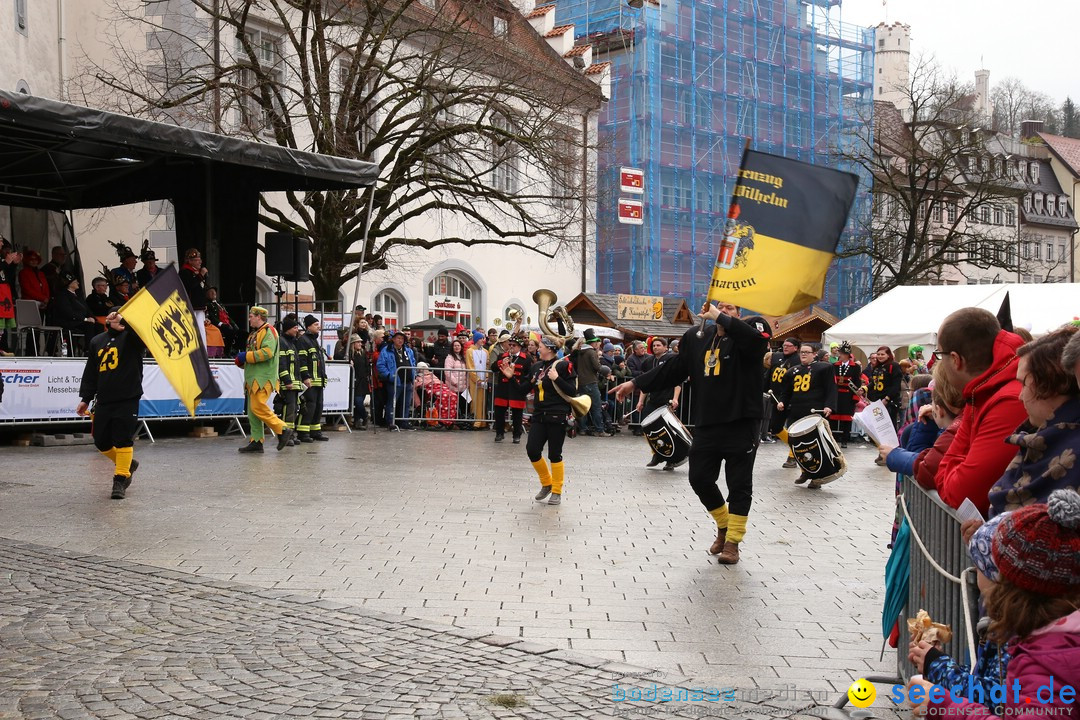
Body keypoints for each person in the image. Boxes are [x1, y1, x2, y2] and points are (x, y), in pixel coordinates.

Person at [613, 302, 770, 565]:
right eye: (720, 306)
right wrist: (635, 383)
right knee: (699, 478)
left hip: (741, 421)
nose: (724, 310)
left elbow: (756, 343)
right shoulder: (697, 337)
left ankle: (733, 542)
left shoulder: (750, 331)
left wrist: (722, 318)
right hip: (708, 421)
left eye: (730, 308)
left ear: (739, 314)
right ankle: (723, 525)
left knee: (739, 485)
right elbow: (673, 369)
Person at [911, 489, 1080, 719]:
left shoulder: (1042, 658)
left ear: (1006, 583)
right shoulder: (1047, 635)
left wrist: (943, 700)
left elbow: (994, 696)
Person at [908, 514, 1012, 716]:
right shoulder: (1006, 623)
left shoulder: (1015, 633)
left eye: (978, 567)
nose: (974, 574)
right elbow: (986, 679)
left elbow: (995, 697)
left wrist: (937, 666)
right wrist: (935, 660)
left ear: (995, 576)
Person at [932, 308, 1027, 516]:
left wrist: (952, 474)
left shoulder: (1008, 401)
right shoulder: (982, 393)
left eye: (940, 354)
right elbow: (942, 472)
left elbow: (964, 494)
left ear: (956, 360)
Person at [987, 325, 1080, 518]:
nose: (1020, 396)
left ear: (1051, 383)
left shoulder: (1070, 449)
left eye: (1023, 383)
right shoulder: (1040, 441)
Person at [76, 311, 145, 499]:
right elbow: (91, 372)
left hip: (128, 398)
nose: (119, 320)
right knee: (101, 440)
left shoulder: (133, 338)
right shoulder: (97, 341)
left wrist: (125, 321)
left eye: (122, 317)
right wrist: (85, 398)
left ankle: (120, 479)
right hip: (104, 399)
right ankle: (128, 463)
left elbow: (142, 338)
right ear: (107, 320)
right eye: (115, 317)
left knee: (123, 439)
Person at [514, 336, 577, 505]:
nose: (537, 349)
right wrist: (511, 377)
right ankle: (546, 483)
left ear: (549, 348)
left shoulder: (564, 365)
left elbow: (572, 391)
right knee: (532, 450)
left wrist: (557, 378)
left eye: (540, 346)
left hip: (558, 415)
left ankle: (557, 490)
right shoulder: (536, 366)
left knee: (554, 454)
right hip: (539, 415)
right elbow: (522, 390)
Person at [775, 344, 837, 487]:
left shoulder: (824, 368)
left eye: (807, 352)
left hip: (814, 412)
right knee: (798, 445)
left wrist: (829, 405)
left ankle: (818, 477)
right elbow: (786, 392)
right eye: (802, 352)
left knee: (815, 446)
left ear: (814, 354)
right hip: (796, 411)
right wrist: (782, 402)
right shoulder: (791, 371)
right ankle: (805, 470)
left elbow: (831, 389)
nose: (803, 354)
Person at [236, 307, 292, 453]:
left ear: (259, 317)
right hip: (253, 378)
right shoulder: (255, 334)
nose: (249, 319)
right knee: (252, 411)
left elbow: (267, 353)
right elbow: (254, 355)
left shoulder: (269, 331)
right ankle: (256, 441)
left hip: (263, 378)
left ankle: (282, 429)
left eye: (251, 316)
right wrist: (243, 362)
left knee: (258, 407)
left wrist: (246, 356)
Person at [636, 337, 683, 470]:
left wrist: (675, 399)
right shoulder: (648, 361)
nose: (655, 347)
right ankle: (657, 454)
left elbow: (677, 382)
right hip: (653, 400)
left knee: (669, 431)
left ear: (665, 347)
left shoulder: (670, 359)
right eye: (654, 345)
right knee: (648, 427)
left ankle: (671, 460)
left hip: (666, 399)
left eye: (658, 345)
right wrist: (640, 401)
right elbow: (645, 384)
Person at [492, 334, 531, 443]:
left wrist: (525, 388)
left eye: (514, 345)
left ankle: (516, 435)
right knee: (499, 413)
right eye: (510, 344)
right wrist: (501, 362)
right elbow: (493, 368)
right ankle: (499, 433)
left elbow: (528, 374)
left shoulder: (526, 359)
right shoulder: (502, 356)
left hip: (517, 390)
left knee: (517, 415)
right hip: (503, 389)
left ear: (519, 346)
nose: (511, 347)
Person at [296, 314, 329, 442]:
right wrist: (306, 377)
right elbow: (302, 361)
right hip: (310, 381)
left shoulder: (314, 340)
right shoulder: (303, 340)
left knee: (318, 406)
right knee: (309, 406)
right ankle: (303, 433)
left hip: (318, 381)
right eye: (315, 324)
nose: (318, 326)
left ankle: (315, 431)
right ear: (308, 327)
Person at [376, 330, 417, 430]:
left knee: (406, 403)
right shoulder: (386, 350)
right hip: (394, 382)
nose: (400, 340)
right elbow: (380, 365)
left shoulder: (408, 350)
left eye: (402, 338)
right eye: (398, 338)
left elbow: (413, 362)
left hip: (407, 381)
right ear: (393, 339)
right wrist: (390, 375)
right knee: (392, 403)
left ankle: (404, 422)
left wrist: (413, 375)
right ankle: (390, 422)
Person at [49, 272, 97, 347]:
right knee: (89, 325)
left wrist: (93, 318)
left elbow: (87, 308)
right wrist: (85, 319)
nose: (78, 283)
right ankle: (88, 349)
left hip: (80, 321)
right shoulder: (63, 295)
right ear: (70, 284)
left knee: (98, 325)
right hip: (69, 321)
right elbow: (67, 312)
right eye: (75, 282)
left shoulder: (78, 294)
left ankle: (98, 347)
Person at [830, 342, 862, 448]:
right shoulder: (834, 366)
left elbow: (857, 383)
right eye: (840, 353)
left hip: (848, 396)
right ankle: (833, 439)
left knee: (846, 420)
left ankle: (845, 439)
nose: (840, 355)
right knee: (833, 418)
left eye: (843, 354)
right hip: (836, 396)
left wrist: (855, 397)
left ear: (848, 355)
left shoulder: (855, 367)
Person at [578, 329, 608, 436]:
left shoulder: (579, 351)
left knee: (583, 407)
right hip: (591, 381)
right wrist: (606, 370)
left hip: (581, 383)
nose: (597, 344)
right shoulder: (591, 352)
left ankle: (583, 429)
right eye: (596, 342)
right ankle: (599, 430)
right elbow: (597, 367)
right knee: (596, 407)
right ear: (593, 342)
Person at [867, 346, 903, 430]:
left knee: (889, 425)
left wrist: (887, 398)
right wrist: (865, 388)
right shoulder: (876, 367)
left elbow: (896, 385)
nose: (880, 356)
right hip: (877, 400)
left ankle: (892, 443)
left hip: (890, 401)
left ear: (888, 355)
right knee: (878, 426)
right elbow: (874, 383)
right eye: (878, 354)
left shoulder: (894, 366)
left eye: (882, 354)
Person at [178, 248, 208, 347]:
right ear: (190, 261)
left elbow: (202, 290)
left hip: (199, 306)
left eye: (200, 259)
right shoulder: (185, 272)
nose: (200, 262)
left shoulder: (197, 272)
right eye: (196, 260)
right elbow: (190, 285)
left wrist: (205, 303)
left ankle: (203, 350)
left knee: (201, 329)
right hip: (190, 305)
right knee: (191, 329)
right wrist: (201, 275)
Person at [466, 330, 489, 430]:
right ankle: (476, 421)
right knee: (475, 400)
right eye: (480, 338)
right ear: (476, 340)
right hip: (474, 380)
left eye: (483, 338)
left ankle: (483, 421)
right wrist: (477, 378)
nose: (482, 340)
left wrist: (487, 376)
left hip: (484, 380)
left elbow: (487, 365)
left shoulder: (485, 352)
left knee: (483, 400)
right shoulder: (469, 351)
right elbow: (470, 366)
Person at [205, 287, 238, 355]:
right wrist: (221, 324)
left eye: (214, 292)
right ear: (207, 294)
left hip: (226, 323)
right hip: (216, 324)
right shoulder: (207, 304)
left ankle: (235, 350)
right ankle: (227, 352)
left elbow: (226, 315)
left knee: (241, 332)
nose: (214, 293)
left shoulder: (219, 303)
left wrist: (233, 323)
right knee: (229, 330)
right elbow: (212, 317)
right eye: (211, 292)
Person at [444, 338, 468, 425]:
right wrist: (455, 382)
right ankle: (454, 422)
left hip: (463, 387)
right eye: (455, 346)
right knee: (454, 406)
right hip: (453, 386)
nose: (457, 347)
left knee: (465, 404)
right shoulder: (449, 358)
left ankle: (463, 421)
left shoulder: (463, 358)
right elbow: (447, 371)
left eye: (458, 345)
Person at [350, 333, 371, 429]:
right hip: (353, 381)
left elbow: (366, 367)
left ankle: (359, 419)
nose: (359, 344)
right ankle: (363, 417)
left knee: (359, 401)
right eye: (357, 342)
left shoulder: (363, 353)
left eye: (360, 342)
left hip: (362, 382)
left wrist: (367, 376)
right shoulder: (350, 354)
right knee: (357, 402)